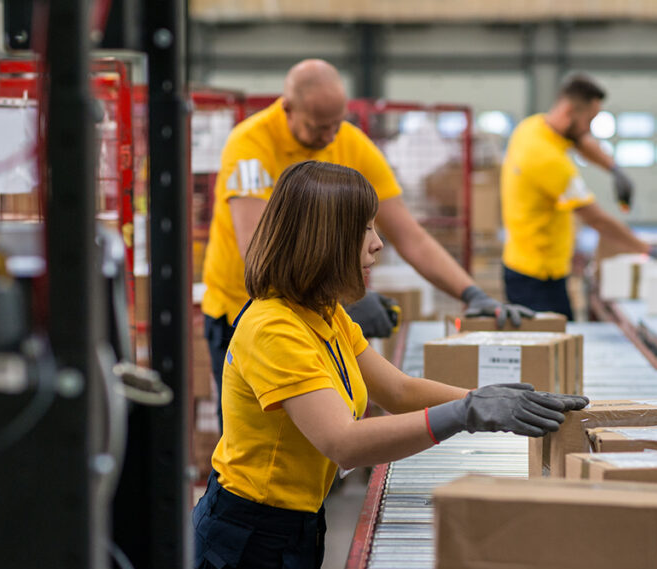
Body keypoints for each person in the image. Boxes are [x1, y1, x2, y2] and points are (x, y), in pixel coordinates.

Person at [193, 161, 588, 569]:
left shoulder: (324, 312)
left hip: (295, 524)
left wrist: (488, 399)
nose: (377, 244)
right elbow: (344, 443)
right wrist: (465, 416)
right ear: (324, 240)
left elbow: (396, 390)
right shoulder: (273, 328)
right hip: (247, 537)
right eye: (363, 230)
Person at [201, 59, 533, 414]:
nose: (330, 137)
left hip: (312, 310)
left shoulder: (349, 143)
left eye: (336, 124)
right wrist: (347, 297)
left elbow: (409, 235)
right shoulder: (250, 145)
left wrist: (472, 294)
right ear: (287, 108)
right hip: (245, 310)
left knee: (319, 427)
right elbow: (258, 248)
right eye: (318, 127)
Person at [500, 72, 656, 319]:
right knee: (554, 349)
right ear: (570, 111)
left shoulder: (533, 127)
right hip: (537, 279)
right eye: (590, 120)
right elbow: (597, 220)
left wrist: (614, 170)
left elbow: (581, 141)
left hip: (526, 266)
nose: (590, 129)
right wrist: (646, 249)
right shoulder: (549, 161)